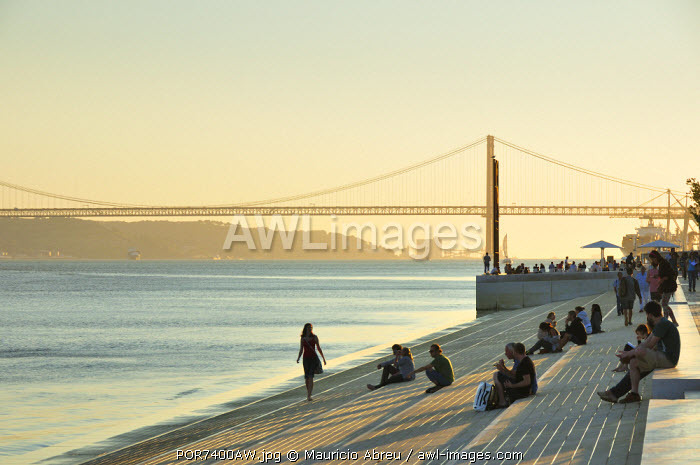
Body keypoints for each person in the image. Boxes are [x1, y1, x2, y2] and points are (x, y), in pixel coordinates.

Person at [597, 301, 681, 403]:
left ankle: (614, 393)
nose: (647, 317)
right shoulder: (660, 324)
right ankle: (633, 394)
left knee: (640, 352)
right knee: (634, 362)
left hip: (668, 359)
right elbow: (646, 342)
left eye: (647, 315)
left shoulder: (663, 324)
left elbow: (649, 346)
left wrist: (629, 353)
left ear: (650, 315)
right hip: (660, 356)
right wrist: (631, 352)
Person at [493, 343, 536, 408]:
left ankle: (502, 402)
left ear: (516, 352)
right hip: (524, 389)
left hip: (523, 392)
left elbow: (527, 382)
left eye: (513, 352)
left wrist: (512, 385)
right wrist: (503, 368)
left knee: (497, 375)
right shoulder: (523, 361)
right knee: (499, 375)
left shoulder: (524, 363)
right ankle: (501, 400)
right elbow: (516, 376)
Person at [297, 323, 327, 401]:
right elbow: (301, 349)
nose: (310, 329)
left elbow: (319, 348)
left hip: (313, 358)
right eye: (308, 328)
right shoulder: (303, 338)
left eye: (311, 328)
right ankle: (308, 393)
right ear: (305, 329)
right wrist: (298, 358)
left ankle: (309, 395)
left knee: (311, 377)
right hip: (306, 359)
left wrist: (323, 358)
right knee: (307, 377)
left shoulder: (315, 337)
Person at [650, 250, 679, 326]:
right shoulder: (662, 263)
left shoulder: (663, 263)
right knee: (664, 304)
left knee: (664, 304)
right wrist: (658, 277)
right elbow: (664, 274)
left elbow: (669, 275)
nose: (653, 261)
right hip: (667, 286)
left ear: (656, 257)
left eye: (653, 259)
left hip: (668, 286)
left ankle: (669, 321)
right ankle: (670, 321)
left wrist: (661, 280)